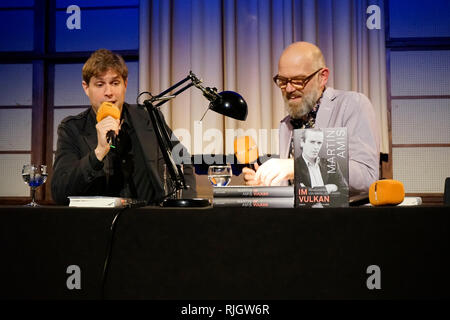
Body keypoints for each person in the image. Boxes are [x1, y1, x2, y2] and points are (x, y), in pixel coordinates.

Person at [51, 49, 196, 205]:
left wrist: (183, 208)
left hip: (151, 221)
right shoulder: (72, 129)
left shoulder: (148, 117)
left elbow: (182, 160)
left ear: (125, 84)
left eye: (115, 83)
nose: (109, 92)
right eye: (100, 84)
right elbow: (60, 192)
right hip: (98, 223)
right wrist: (98, 153)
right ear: (86, 88)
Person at [243, 41, 379, 194]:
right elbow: (294, 187)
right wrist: (266, 184)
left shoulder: (352, 105)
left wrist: (297, 166)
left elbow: (367, 177)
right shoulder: (286, 125)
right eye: (283, 81)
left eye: (298, 81)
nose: (289, 89)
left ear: (322, 77)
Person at [294, 128, 347, 194]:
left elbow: (345, 191)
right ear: (302, 142)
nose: (316, 147)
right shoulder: (294, 166)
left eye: (319, 143)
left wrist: (310, 191)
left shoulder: (331, 164)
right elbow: (298, 195)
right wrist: (328, 188)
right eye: (312, 142)